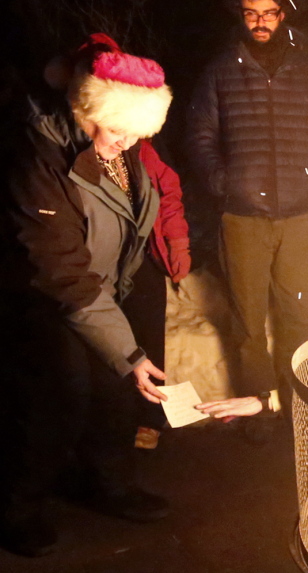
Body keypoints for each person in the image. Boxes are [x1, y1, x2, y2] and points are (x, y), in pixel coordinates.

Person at [0, 34, 173, 557]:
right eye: (118, 128)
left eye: (136, 131)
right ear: (86, 107)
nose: (126, 141)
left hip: (101, 289)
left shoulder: (121, 145)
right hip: (49, 293)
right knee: (59, 396)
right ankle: (16, 506)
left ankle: (109, 484)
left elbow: (129, 219)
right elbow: (61, 266)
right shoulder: (41, 156)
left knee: (116, 390)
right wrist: (125, 346)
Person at [189, 0, 308, 431]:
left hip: (297, 214)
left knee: (298, 316)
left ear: (282, 15)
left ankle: (297, 409)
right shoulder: (221, 71)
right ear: (241, 14)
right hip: (243, 215)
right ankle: (258, 408)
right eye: (251, 13)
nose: (260, 22)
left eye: (268, 13)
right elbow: (199, 135)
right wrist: (224, 183)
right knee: (248, 320)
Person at [124, 139, 191, 449]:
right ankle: (111, 418)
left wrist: (177, 241)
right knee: (111, 340)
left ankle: (149, 418)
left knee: (149, 337)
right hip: (102, 262)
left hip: (142, 258)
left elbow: (168, 193)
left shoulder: (143, 148)